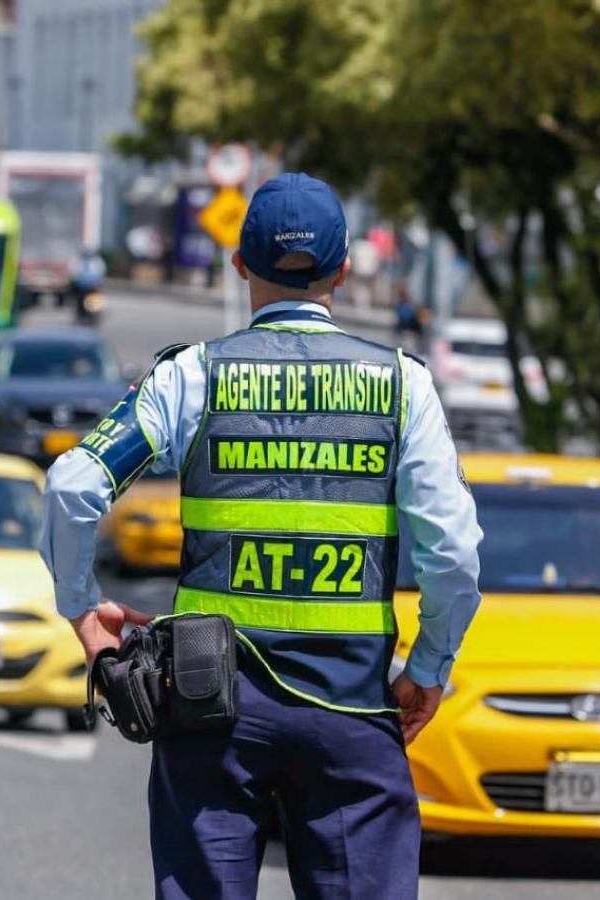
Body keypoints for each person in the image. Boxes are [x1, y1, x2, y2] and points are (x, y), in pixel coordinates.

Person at [41, 173, 483, 898]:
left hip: (210, 707)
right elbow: (454, 552)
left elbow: (71, 486)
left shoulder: (190, 377)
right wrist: (429, 666)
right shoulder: (402, 384)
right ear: (343, 269)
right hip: (352, 708)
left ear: (240, 264)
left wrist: (87, 617)